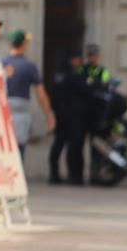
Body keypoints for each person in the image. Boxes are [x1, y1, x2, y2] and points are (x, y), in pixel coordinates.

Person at [2, 30, 55, 158]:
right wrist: (49, 115)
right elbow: (41, 94)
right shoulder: (29, 66)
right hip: (21, 114)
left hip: (2, 113)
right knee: (19, 153)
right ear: (23, 44)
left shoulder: (0, 63)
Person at [48, 49, 90, 184]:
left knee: (58, 145)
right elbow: (85, 91)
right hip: (73, 117)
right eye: (78, 59)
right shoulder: (73, 76)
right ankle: (75, 176)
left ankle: (54, 174)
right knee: (74, 147)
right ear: (72, 60)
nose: (80, 62)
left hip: (61, 116)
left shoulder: (59, 75)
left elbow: (53, 96)